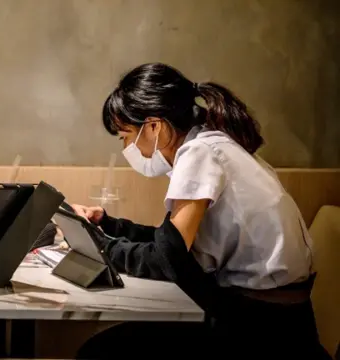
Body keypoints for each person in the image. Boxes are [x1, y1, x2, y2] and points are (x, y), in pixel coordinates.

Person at [73, 63, 329, 359]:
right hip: (273, 317)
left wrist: (98, 245)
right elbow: (172, 243)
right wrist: (108, 225)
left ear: (154, 126)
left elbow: (168, 256)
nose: (128, 148)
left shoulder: (199, 153)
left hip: (263, 331)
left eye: (126, 136)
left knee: (98, 352)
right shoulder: (214, 143)